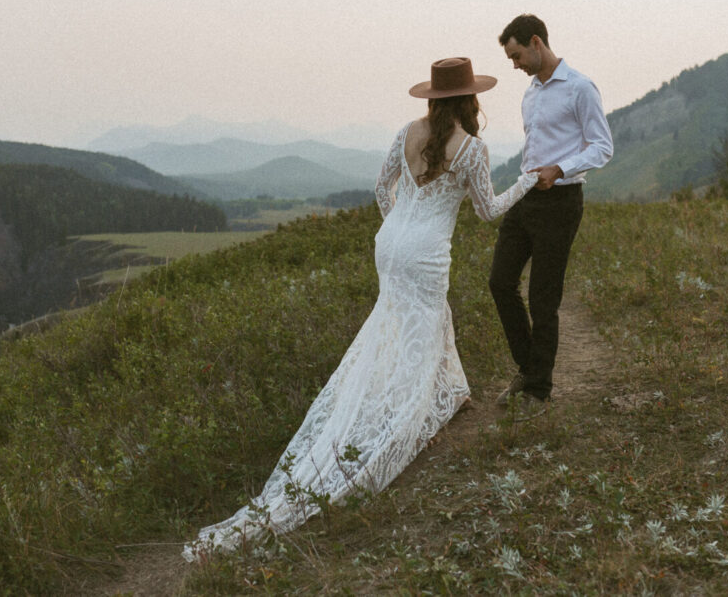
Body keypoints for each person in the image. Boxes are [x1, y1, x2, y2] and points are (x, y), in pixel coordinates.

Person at [183, 57, 542, 559]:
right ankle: (407, 413)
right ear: (469, 99)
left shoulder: (408, 130)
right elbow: (486, 211)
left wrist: (399, 228)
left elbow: (381, 189)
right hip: (425, 251)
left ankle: (453, 391)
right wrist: (527, 180)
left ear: (433, 98)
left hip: (390, 242)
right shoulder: (474, 150)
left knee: (407, 323)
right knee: (420, 323)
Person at [491, 14, 614, 411]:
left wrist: (560, 169)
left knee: (543, 299)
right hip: (526, 196)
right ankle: (530, 368)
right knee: (499, 281)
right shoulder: (530, 93)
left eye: (516, 55)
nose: (515, 65)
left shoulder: (579, 88)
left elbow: (602, 146)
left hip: (561, 201)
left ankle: (538, 391)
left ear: (536, 42)